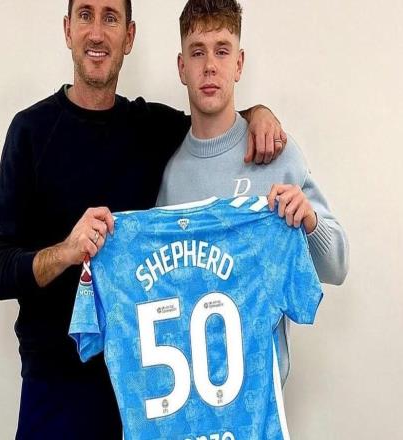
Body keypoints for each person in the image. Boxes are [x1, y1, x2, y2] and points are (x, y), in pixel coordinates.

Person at [0, 0, 286, 438]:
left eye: (110, 17)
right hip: (55, 387)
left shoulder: (151, 128)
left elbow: (214, 121)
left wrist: (258, 114)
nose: (96, 32)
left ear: (128, 36)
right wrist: (67, 251)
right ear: (68, 29)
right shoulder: (29, 131)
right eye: (85, 15)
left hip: (147, 389)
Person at [156, 0, 349, 385]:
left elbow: (337, 268)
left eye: (222, 51)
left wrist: (309, 222)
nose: (210, 66)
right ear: (182, 67)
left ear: (239, 63)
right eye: (197, 52)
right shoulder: (171, 174)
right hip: (191, 398)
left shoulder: (276, 151)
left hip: (263, 399)